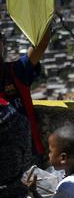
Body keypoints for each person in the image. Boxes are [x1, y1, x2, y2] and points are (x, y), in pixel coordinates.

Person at [0, 29, 50, 160]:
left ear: (2, 45)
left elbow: (41, 44)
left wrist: (46, 18)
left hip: (28, 156)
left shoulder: (15, 71)